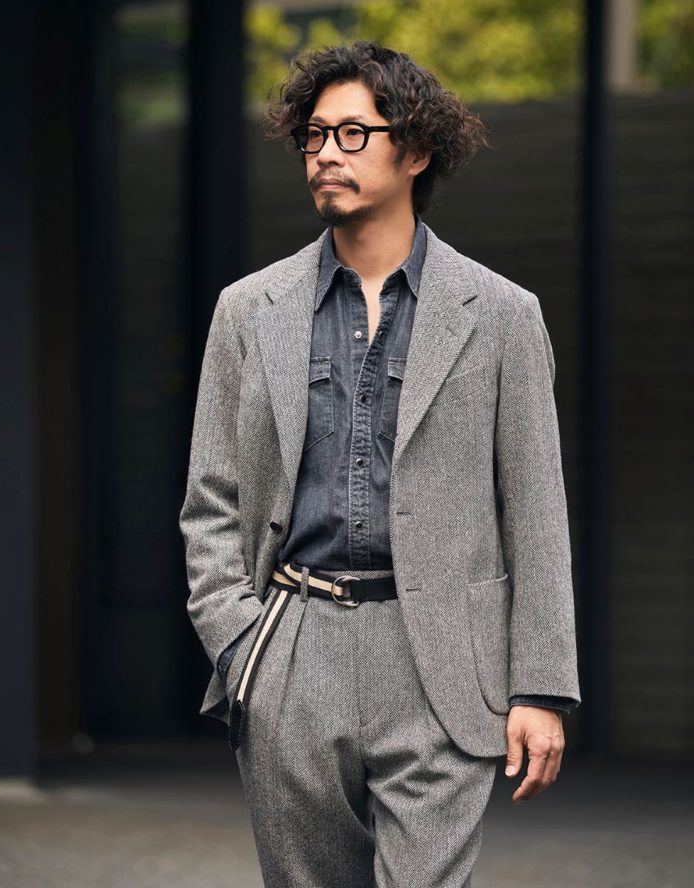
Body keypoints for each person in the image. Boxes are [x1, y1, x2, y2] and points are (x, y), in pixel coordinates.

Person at [179, 39, 580, 888]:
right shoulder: (248, 311)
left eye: (353, 134)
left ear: (418, 149)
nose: (326, 153)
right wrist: (243, 645)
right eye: (315, 135)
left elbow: (537, 512)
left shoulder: (503, 315)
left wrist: (541, 688)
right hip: (291, 644)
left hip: (443, 661)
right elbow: (211, 500)